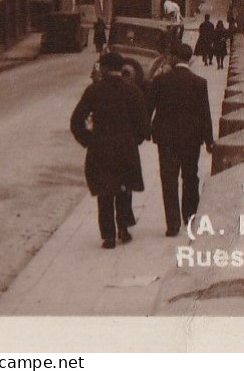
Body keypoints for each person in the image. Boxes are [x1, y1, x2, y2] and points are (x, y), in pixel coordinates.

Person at [69, 51, 149, 249]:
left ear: (104, 68)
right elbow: (143, 124)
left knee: (105, 191)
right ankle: (123, 228)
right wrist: (134, 140)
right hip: (125, 146)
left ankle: (108, 236)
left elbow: (76, 121)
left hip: (101, 147)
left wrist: (89, 140)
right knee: (123, 187)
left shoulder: (94, 90)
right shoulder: (133, 90)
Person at [147, 43, 215, 237]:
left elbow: (148, 108)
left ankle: (172, 224)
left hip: (166, 139)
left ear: (174, 59)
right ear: (190, 59)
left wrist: (146, 131)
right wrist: (209, 140)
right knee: (190, 177)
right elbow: (205, 114)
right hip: (191, 139)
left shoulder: (160, 81)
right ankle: (190, 216)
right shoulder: (199, 82)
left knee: (168, 180)